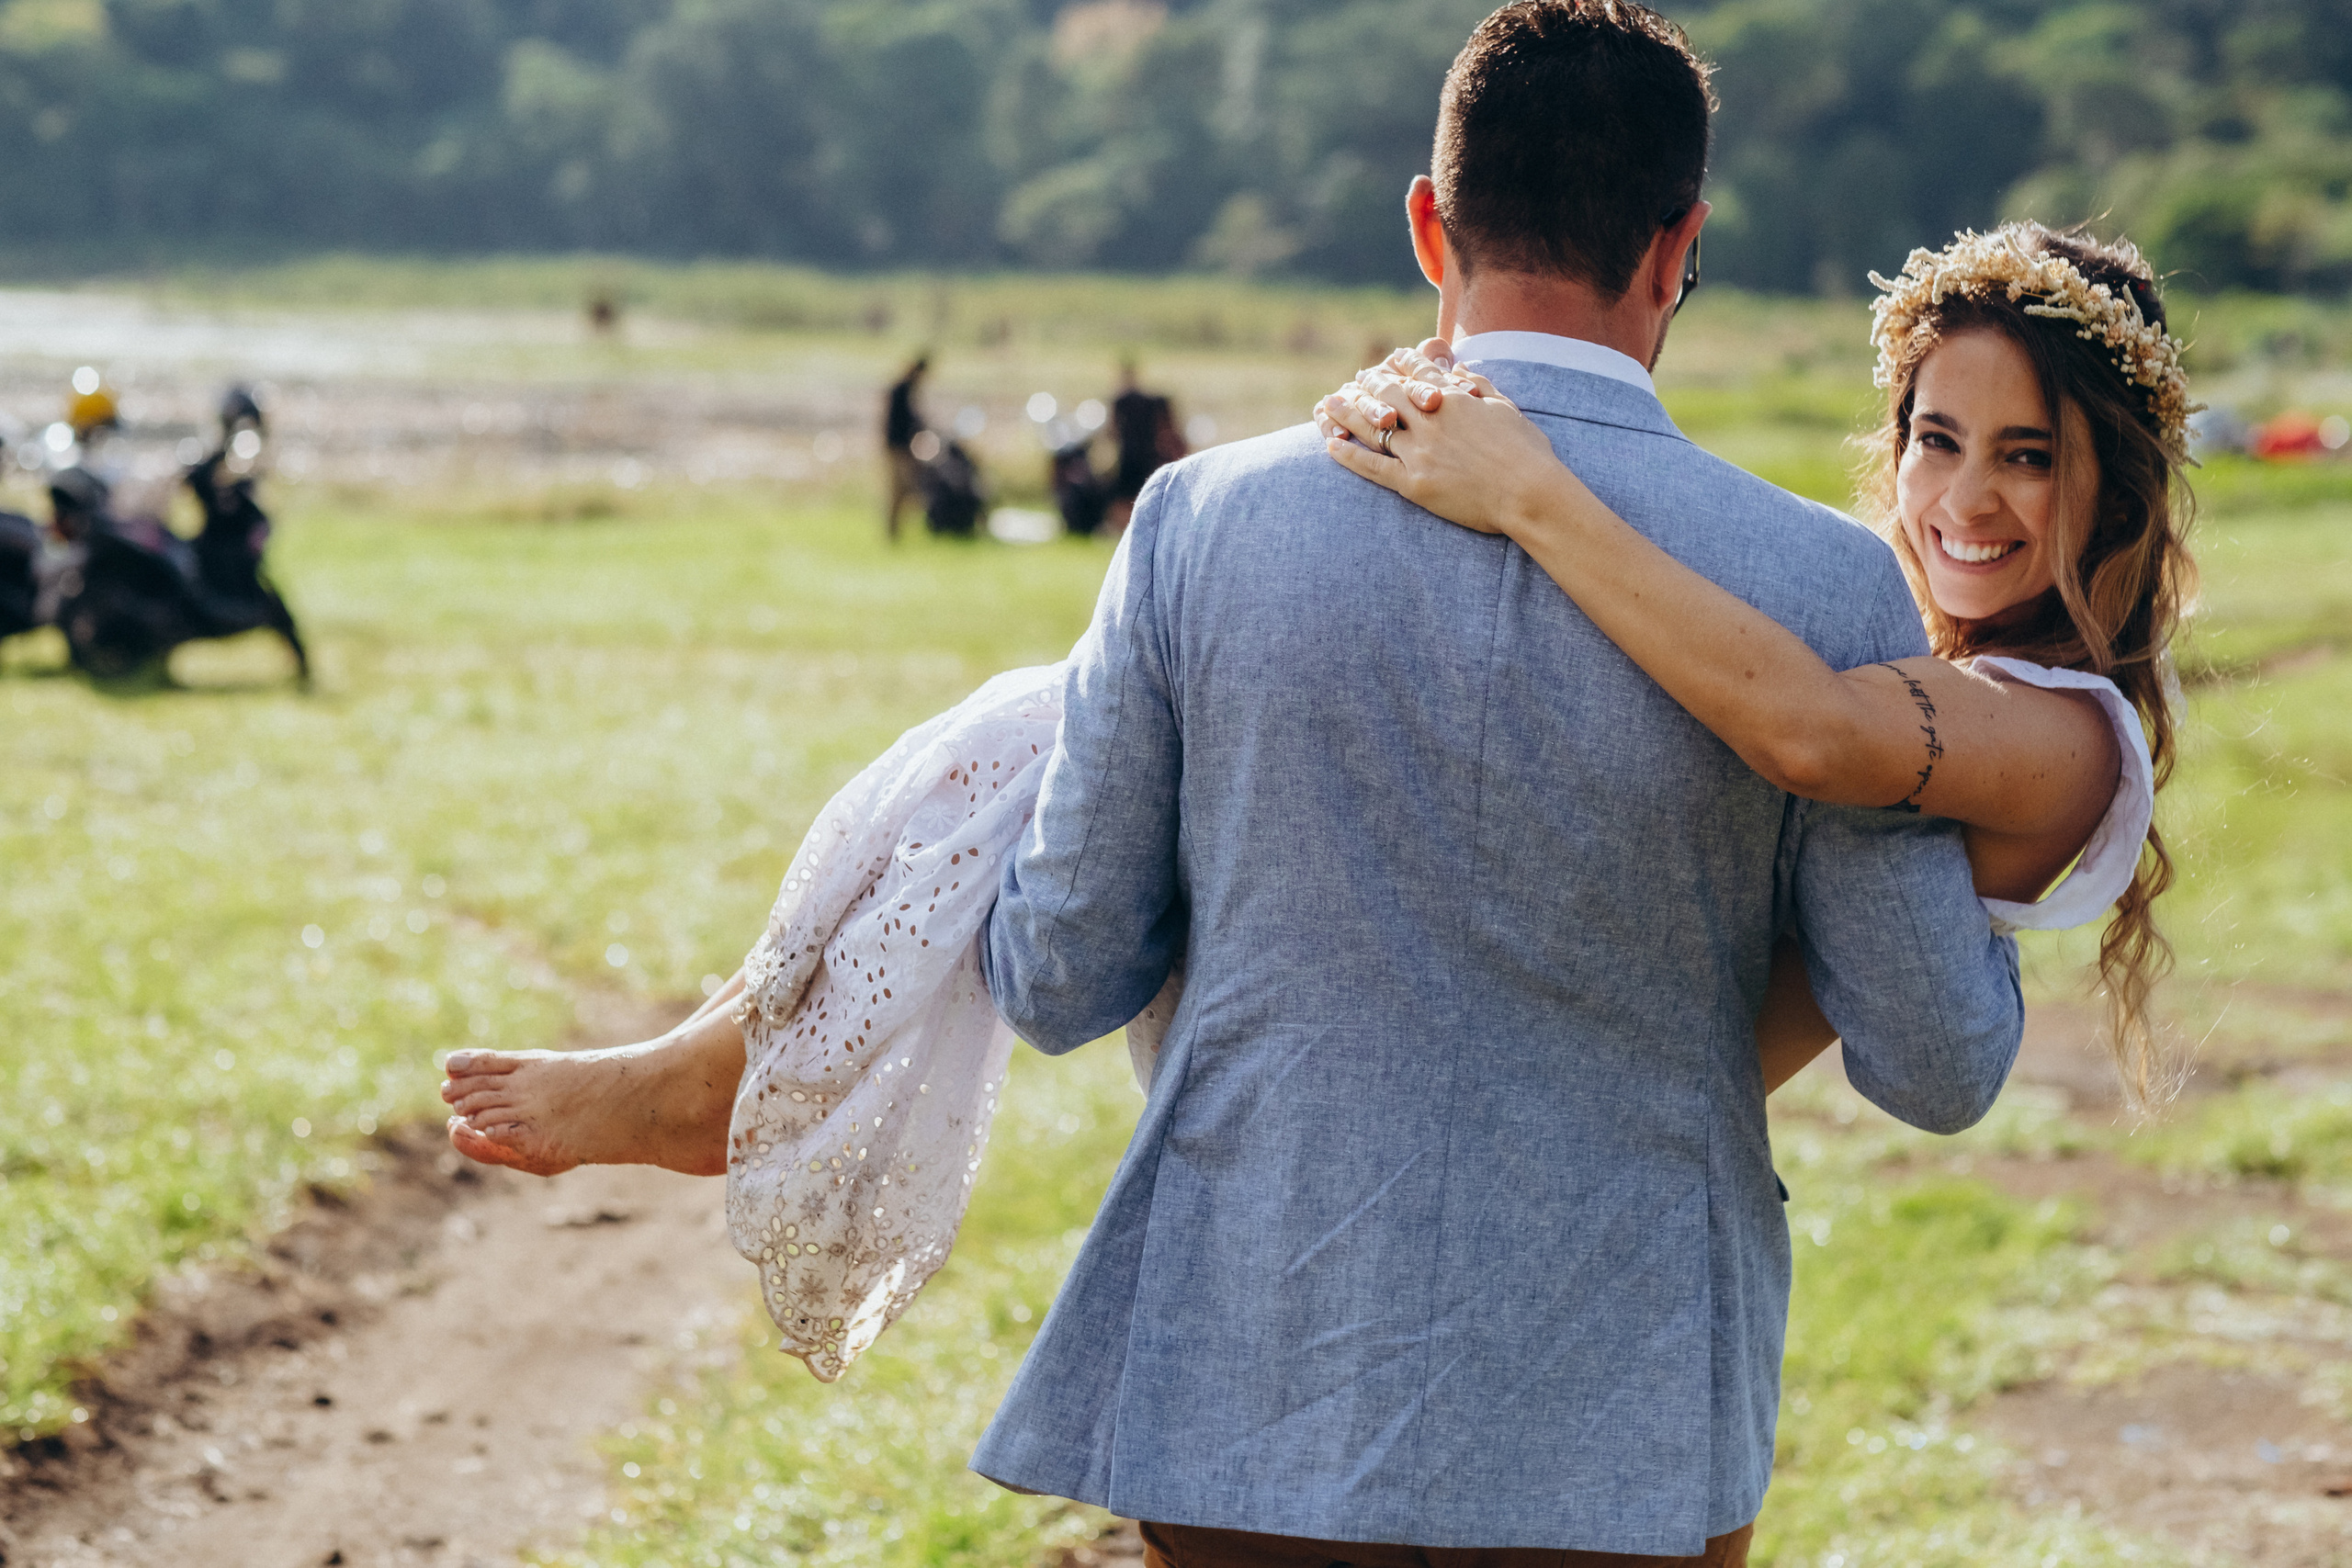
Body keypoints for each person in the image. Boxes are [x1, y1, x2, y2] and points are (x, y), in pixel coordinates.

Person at [443, 5, 2025, 1562]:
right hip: (1623, 1401)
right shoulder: (1823, 589)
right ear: (1680, 244)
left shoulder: (1202, 524)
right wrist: (2032, 850)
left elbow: (1060, 974)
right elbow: (1937, 1061)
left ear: (1428, 226)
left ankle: (724, 1054)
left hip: (1250, 1357)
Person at [1315, 220, 2195, 1108]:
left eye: (2028, 457)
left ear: (2116, 498)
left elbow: (1812, 733)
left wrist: (1523, 489)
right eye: (1937, 440)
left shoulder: (2072, 734)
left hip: (1630, 1125)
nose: (1966, 500)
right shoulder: (1882, 644)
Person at [1104, 357, 1185, 534]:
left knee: (1125, 495)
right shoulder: (1152, 401)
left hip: (1129, 454)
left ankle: (1125, 529)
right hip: (1147, 454)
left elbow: (1111, 431)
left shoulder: (1121, 401)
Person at [883, 355, 932, 542]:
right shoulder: (903, 389)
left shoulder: (904, 388)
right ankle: (892, 533)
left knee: (902, 491)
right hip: (898, 448)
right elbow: (906, 421)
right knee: (901, 490)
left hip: (900, 448)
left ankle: (895, 533)